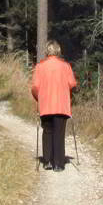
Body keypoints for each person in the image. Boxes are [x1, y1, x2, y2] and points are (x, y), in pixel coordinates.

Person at [31, 39, 77, 172]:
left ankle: (47, 161)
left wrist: (38, 98)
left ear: (47, 51)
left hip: (46, 105)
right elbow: (72, 84)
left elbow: (34, 87)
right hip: (61, 105)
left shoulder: (40, 66)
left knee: (47, 131)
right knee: (59, 133)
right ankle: (58, 163)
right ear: (58, 51)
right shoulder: (66, 66)